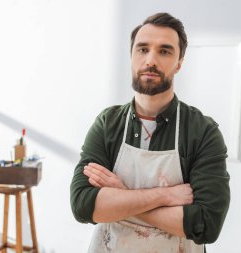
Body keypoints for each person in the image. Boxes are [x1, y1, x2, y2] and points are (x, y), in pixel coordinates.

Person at [70, 12, 230, 253]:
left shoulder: (202, 131)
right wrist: (166, 196)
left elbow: (205, 224)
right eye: (143, 49)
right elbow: (83, 206)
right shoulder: (107, 123)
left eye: (164, 51)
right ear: (132, 56)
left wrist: (121, 196)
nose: (151, 60)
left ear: (179, 62)